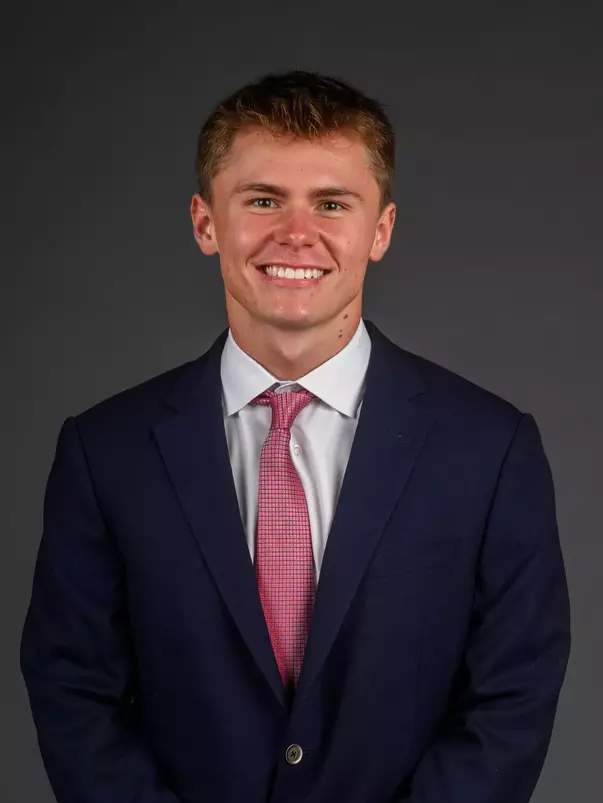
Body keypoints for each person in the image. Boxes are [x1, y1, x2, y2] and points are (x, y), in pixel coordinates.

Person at [20, 70, 571, 803]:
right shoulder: (105, 452)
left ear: (380, 231)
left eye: (331, 203)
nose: (295, 234)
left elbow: (513, 694)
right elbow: (73, 689)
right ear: (204, 222)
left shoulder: (491, 449)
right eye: (262, 199)